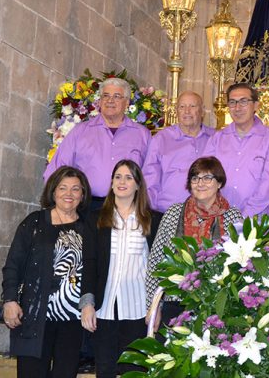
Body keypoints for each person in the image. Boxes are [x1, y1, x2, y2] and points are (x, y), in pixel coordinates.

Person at [1, 166, 93, 378]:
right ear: (53, 191)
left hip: (72, 318)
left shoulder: (89, 227)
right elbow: (13, 264)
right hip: (34, 315)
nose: (69, 194)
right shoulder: (34, 222)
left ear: (83, 194)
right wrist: (10, 300)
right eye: (63, 188)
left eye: (75, 189)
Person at [79, 160, 162, 378]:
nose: (122, 181)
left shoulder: (153, 220)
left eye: (128, 177)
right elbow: (89, 263)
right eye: (117, 176)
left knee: (134, 371)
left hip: (139, 309)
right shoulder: (96, 219)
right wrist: (87, 304)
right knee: (104, 370)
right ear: (111, 183)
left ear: (138, 185)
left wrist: (156, 306)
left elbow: (159, 268)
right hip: (105, 308)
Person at [145, 157, 243, 330]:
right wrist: (154, 307)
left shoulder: (233, 217)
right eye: (195, 178)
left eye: (207, 178)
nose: (200, 183)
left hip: (215, 305)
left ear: (219, 183)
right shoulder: (173, 214)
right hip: (175, 301)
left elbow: (242, 264)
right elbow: (156, 262)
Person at [45, 77, 151, 210]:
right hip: (85, 208)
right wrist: (53, 204)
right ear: (99, 101)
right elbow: (57, 167)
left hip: (126, 208)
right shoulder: (80, 131)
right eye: (105, 95)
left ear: (127, 102)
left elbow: (150, 173)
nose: (110, 100)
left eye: (117, 96)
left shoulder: (142, 135)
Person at [202, 83, 269, 218]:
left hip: (256, 219)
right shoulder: (217, 139)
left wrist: (244, 216)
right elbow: (204, 175)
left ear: (256, 105)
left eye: (243, 101)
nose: (237, 107)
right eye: (232, 102)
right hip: (219, 217)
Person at [142, 91, 214, 212]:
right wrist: (153, 210)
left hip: (206, 214)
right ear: (177, 111)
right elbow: (150, 177)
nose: (187, 111)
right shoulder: (162, 138)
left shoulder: (215, 138)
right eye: (182, 107)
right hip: (168, 213)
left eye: (192, 106)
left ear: (202, 110)